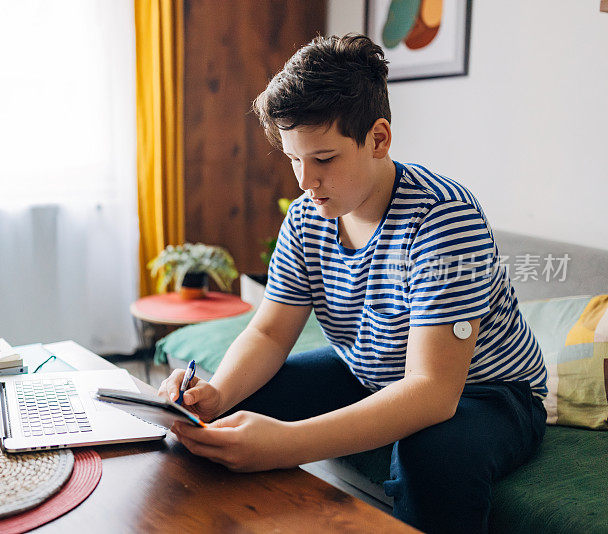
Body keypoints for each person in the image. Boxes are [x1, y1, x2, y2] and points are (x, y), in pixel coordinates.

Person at [157, 33, 547, 534]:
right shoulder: (306, 217)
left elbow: (432, 392)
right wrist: (216, 394)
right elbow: (271, 332)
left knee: (430, 455)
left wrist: (287, 442)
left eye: (323, 159)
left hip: (488, 391)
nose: (304, 180)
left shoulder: (445, 218)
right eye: (294, 159)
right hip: (368, 368)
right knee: (220, 417)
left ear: (378, 140)